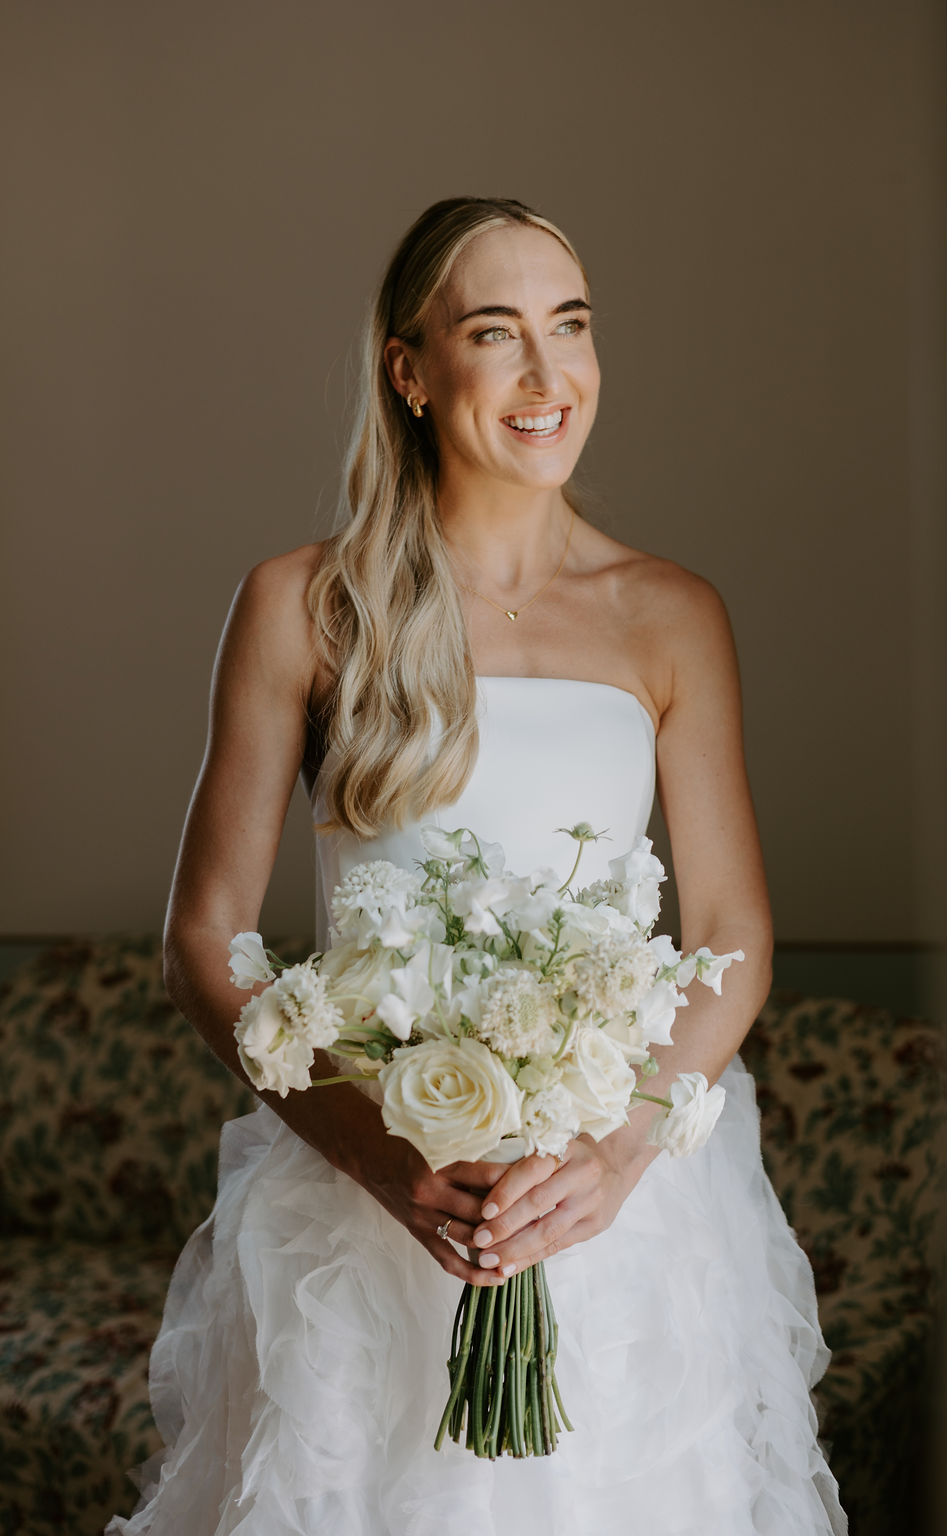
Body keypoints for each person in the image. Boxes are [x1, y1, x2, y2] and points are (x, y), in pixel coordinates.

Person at [108, 197, 846, 1535]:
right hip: (367, 1222)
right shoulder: (302, 606)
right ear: (410, 371)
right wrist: (383, 1153)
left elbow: (733, 932)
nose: (547, 377)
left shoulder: (672, 617)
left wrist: (621, 1150)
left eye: (569, 329)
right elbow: (206, 934)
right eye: (495, 335)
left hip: (618, 1224)